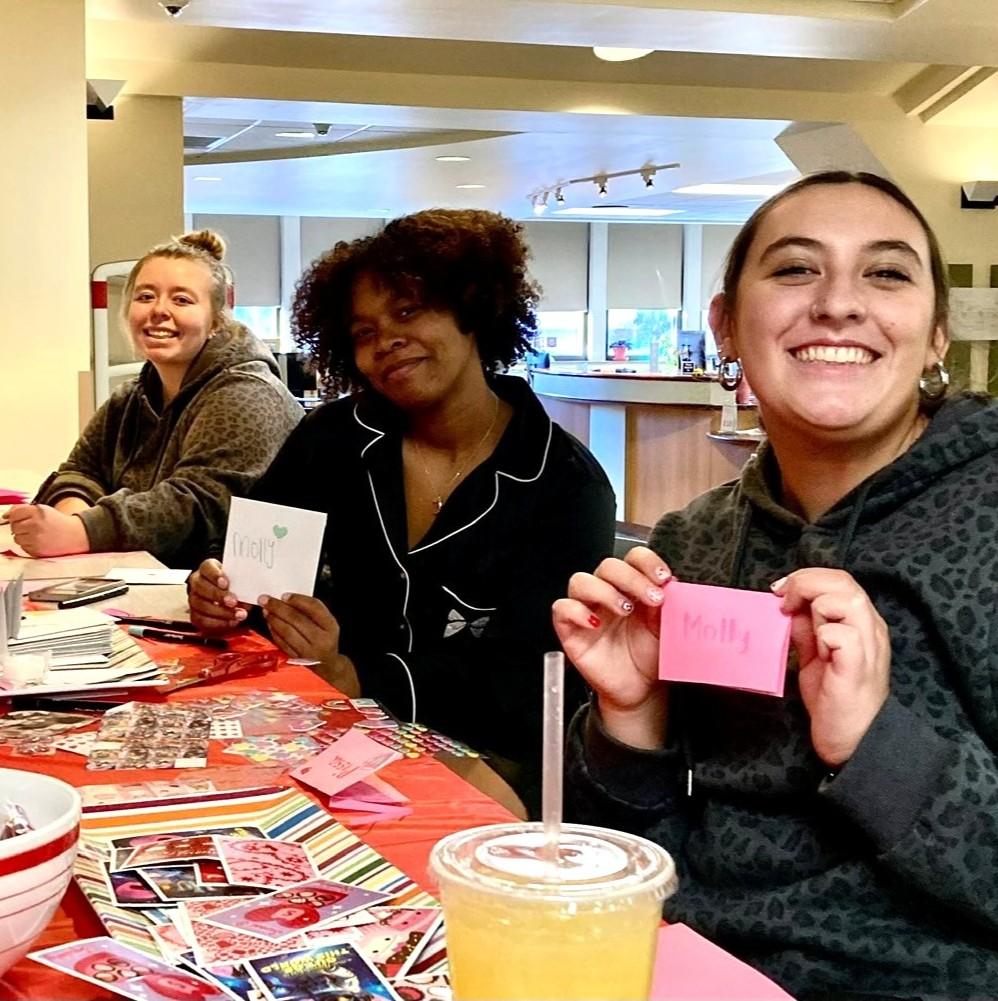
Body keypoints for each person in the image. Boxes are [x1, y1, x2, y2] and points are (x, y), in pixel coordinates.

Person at [554, 171, 998, 999]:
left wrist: (875, 742)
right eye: (795, 268)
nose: (838, 303)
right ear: (725, 323)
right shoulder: (696, 540)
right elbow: (628, 865)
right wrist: (629, 720)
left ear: (936, 333)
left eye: (888, 272)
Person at [188, 209, 615, 813]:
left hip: (490, 751)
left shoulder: (562, 484)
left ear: (473, 310)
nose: (385, 340)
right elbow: (257, 563)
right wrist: (221, 592)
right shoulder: (334, 439)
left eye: (409, 312)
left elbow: (530, 683)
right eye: (363, 332)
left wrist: (360, 676)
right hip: (325, 716)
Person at [8, 231, 302, 568]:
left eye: (182, 300)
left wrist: (82, 531)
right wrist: (70, 521)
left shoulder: (247, 395)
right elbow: (81, 470)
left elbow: (200, 506)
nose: (159, 310)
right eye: (145, 296)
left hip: (242, 602)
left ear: (217, 321)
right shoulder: (131, 398)